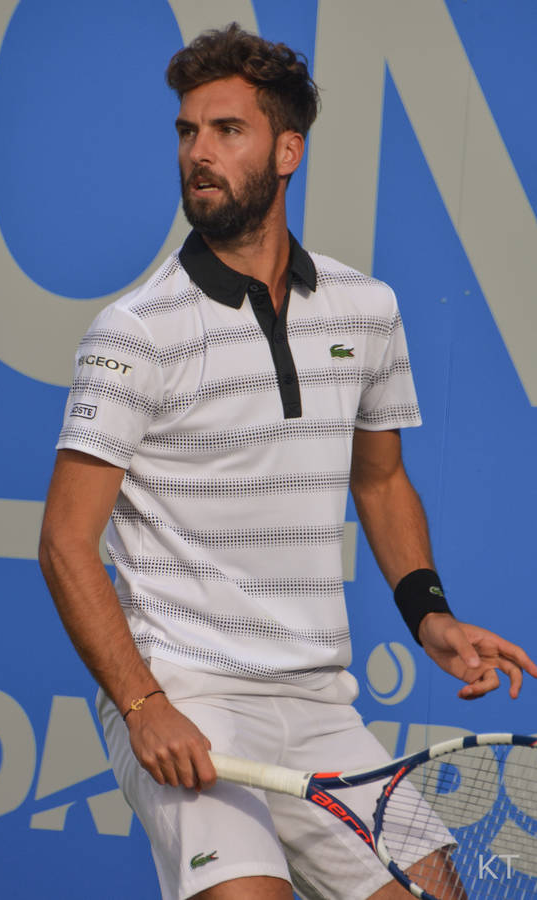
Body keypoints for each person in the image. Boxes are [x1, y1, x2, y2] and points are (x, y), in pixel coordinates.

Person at [39, 24, 537, 900]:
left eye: (227, 130)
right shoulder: (134, 333)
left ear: (287, 151)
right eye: (188, 131)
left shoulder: (365, 309)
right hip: (187, 692)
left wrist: (432, 617)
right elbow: (65, 544)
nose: (200, 152)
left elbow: (380, 482)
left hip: (318, 702)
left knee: (434, 894)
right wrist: (145, 705)